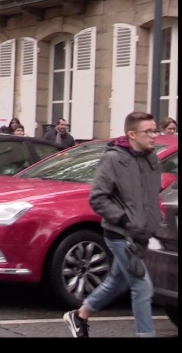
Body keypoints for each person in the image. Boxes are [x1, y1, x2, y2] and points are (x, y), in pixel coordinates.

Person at [63, 111, 162, 338]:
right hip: (120, 234)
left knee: (117, 282)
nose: (154, 136)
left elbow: (147, 196)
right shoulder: (114, 159)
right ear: (132, 134)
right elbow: (98, 198)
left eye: (155, 130)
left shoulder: (152, 159)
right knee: (142, 285)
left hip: (140, 235)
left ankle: (79, 316)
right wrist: (125, 220)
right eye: (149, 131)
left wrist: (155, 220)